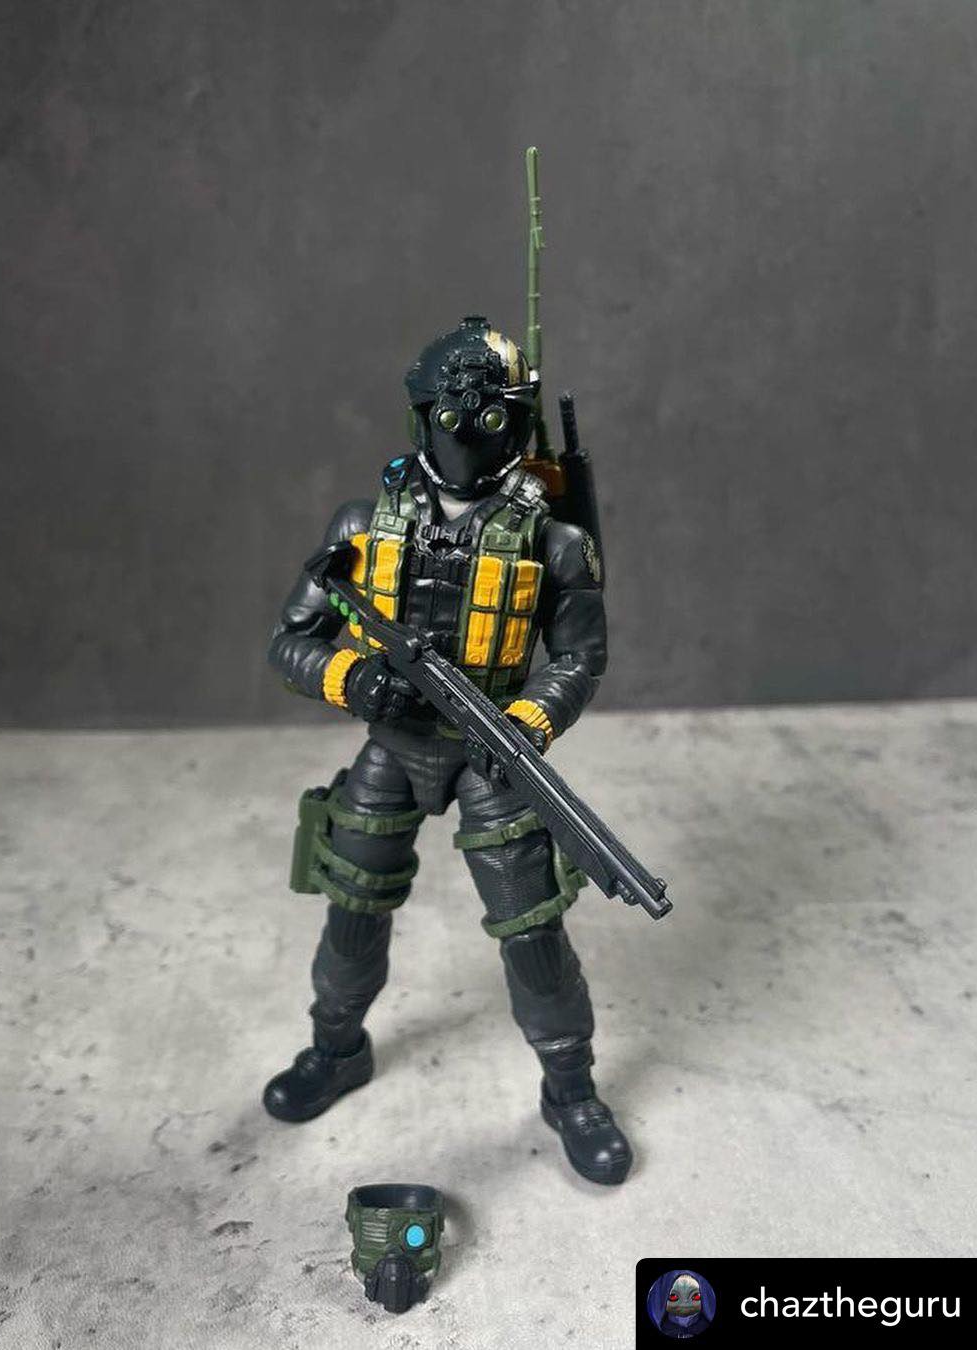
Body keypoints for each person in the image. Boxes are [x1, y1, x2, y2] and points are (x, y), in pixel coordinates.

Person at [262, 315, 630, 1185]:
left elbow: (580, 658)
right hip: (393, 745)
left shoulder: (554, 540)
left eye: (494, 414)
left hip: (489, 747)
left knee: (531, 924)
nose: (473, 433)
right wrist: (352, 679)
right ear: (427, 414)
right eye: (457, 413)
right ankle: (335, 1049)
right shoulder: (363, 524)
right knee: (353, 902)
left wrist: (527, 723)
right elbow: (290, 641)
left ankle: (571, 1091)